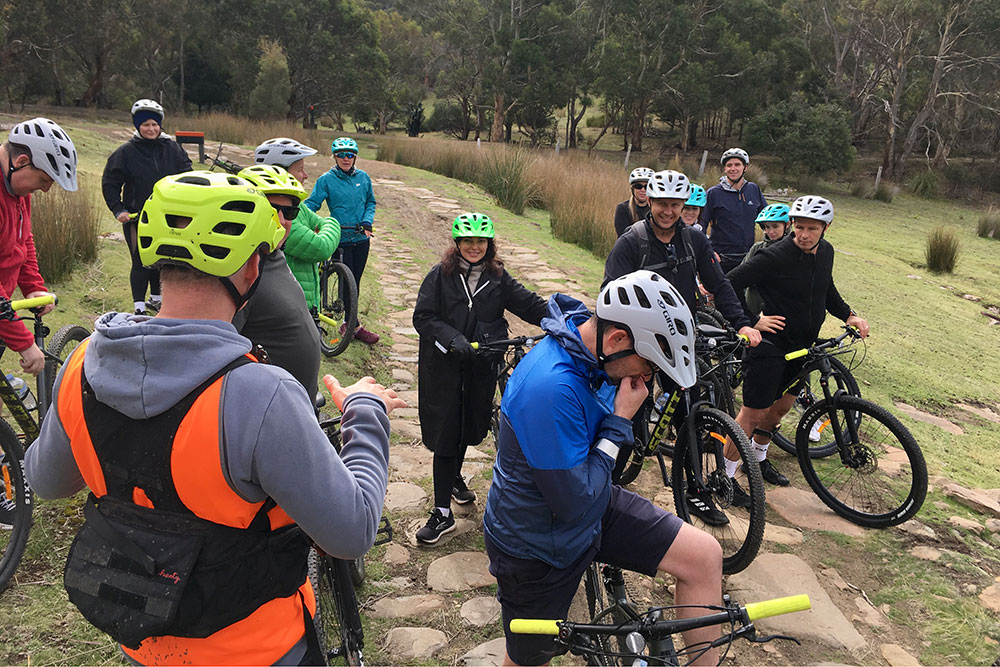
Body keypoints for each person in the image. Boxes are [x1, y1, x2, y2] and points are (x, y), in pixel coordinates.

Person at [24, 170, 404, 666]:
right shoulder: (261, 394)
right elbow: (351, 532)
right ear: (251, 269)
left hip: (144, 640)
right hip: (260, 650)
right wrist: (366, 411)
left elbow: (47, 480)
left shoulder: (82, 366)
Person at [482, 271, 723, 667]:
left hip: (589, 502)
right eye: (649, 365)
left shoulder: (594, 353)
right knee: (527, 660)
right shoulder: (550, 388)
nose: (646, 379)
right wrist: (619, 420)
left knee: (704, 556)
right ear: (616, 340)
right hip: (536, 545)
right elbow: (574, 505)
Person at [603, 170, 760, 523]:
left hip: (680, 338)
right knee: (627, 412)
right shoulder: (632, 241)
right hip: (639, 341)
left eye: (676, 204)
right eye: (662, 203)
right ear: (650, 201)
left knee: (690, 411)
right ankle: (605, 485)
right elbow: (610, 294)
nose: (668, 211)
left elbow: (719, 284)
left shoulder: (694, 240)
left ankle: (695, 490)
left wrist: (742, 323)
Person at [412, 213, 547, 545]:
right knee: (446, 434)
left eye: (481, 242)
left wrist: (566, 317)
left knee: (466, 429)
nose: (474, 247)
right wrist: (451, 338)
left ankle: (453, 478)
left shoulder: (498, 279)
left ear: (490, 244)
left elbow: (529, 304)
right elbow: (423, 317)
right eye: (468, 241)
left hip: (479, 368)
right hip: (443, 370)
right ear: (457, 243)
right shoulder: (439, 276)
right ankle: (442, 513)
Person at [726, 196, 869, 493]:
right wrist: (751, 320)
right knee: (752, 413)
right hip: (769, 346)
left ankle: (757, 460)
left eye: (812, 229)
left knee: (780, 409)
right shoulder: (775, 255)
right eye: (799, 227)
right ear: (792, 224)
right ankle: (724, 477)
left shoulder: (826, 252)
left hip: (803, 346)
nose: (804, 234)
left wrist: (849, 315)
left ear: (826, 228)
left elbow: (826, 288)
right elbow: (729, 283)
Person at [234, 164, 324, 401]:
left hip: (299, 402)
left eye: (290, 212)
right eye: (272, 210)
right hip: (270, 406)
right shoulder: (240, 269)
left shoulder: (272, 253)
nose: (282, 221)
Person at [0, 117, 77, 377]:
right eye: (44, 179)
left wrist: (32, 286)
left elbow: (23, 240)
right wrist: (24, 343)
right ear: (22, 162)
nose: (45, 190)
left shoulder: (17, 190)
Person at [102, 99, 192, 315]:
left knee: (163, 258)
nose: (151, 129)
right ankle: (139, 307)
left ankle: (157, 299)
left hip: (168, 215)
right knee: (140, 260)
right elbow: (110, 182)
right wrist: (119, 209)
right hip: (137, 216)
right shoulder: (125, 152)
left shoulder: (173, 149)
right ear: (137, 125)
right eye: (145, 125)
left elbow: (188, 175)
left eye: (154, 124)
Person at [304, 137, 379, 344]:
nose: (346, 159)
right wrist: (303, 219)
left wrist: (367, 222)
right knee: (347, 281)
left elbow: (370, 202)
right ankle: (353, 325)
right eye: (341, 155)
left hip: (361, 238)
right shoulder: (326, 180)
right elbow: (312, 204)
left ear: (355, 157)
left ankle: (349, 321)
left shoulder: (363, 178)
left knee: (355, 281)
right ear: (335, 157)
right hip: (340, 238)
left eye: (349, 155)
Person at [254, 137, 341, 311]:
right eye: (300, 169)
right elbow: (322, 247)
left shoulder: (296, 206)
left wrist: (325, 223)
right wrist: (333, 222)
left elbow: (319, 221)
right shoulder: (280, 218)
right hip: (290, 307)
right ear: (280, 173)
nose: (305, 175)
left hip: (304, 302)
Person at [700, 148, 767, 272]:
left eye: (737, 164)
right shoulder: (714, 193)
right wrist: (708, 251)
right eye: (729, 165)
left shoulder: (753, 189)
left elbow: (767, 220)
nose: (733, 168)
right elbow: (701, 224)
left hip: (748, 258)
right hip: (721, 259)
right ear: (724, 169)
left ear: (745, 167)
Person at [740, 203, 791, 320]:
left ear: (787, 225)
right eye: (767, 227)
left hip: (781, 312)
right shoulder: (757, 248)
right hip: (753, 307)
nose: (771, 231)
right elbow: (741, 273)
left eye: (775, 226)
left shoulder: (793, 250)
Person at [613, 167, 654, 237]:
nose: (643, 190)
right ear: (632, 189)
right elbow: (623, 237)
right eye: (638, 186)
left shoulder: (656, 210)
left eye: (647, 187)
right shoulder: (623, 209)